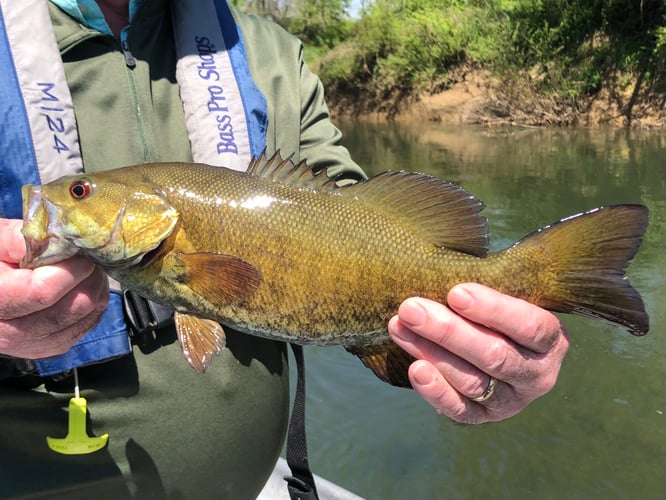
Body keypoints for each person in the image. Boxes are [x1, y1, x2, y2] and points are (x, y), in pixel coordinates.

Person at [0, 0, 569, 498]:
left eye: (81, 194)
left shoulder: (269, 51)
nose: (69, 200)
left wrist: (482, 355)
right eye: (80, 192)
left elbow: (345, 210)